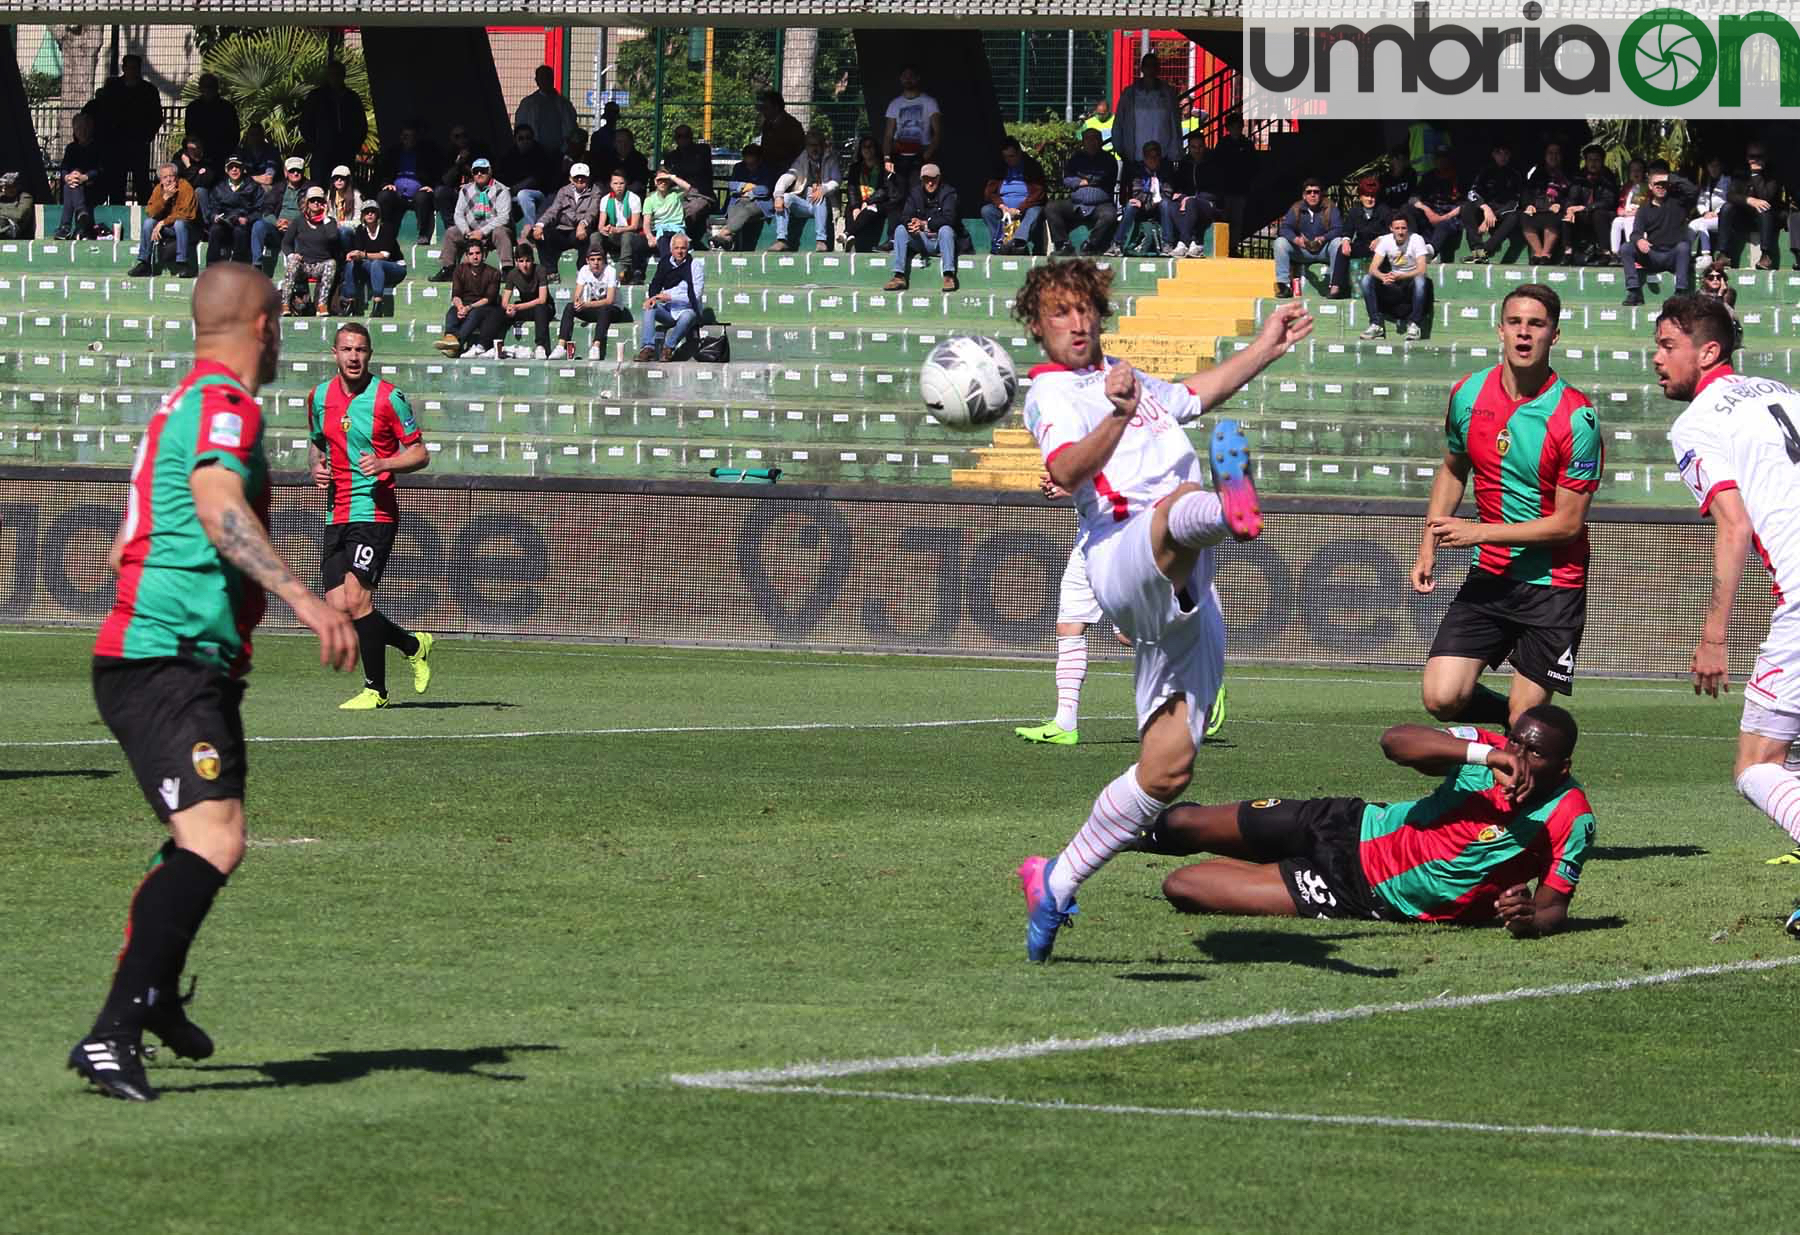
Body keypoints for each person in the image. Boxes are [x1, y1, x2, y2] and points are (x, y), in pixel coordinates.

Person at [72, 263, 358, 1103]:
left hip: (183, 659)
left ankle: (153, 996)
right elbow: (213, 499)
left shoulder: (186, 401)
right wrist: (303, 597)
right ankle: (112, 1031)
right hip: (166, 663)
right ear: (266, 323)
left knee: (205, 835)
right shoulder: (226, 407)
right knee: (216, 838)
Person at [1012, 260, 1313, 961]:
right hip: (1121, 551)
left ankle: (1054, 880)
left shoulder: (1125, 373)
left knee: (1168, 770)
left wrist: (1266, 346)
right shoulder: (1050, 393)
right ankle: (1225, 512)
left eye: (1086, 308)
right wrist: (1117, 412)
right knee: (1179, 510)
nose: (1078, 322)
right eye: (1060, 312)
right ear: (1037, 324)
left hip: (1183, 584)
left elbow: (1192, 395)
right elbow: (1063, 470)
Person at [1147, 713, 1592, 936]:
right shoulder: (1486, 748)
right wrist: (1485, 754)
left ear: (1563, 765)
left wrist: (1531, 917)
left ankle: (1283, 870)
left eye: (1534, 753)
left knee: (1183, 886)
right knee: (1184, 821)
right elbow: (1395, 741)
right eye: (1515, 742)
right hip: (1350, 822)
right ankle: (1115, 837)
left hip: (1359, 891)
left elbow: (1555, 907)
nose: (1518, 757)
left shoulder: (1570, 815)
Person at [1661, 293, 1800, 924]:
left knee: (1756, 765)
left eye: (1668, 346)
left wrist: (1713, 635)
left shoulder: (1696, 423)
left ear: (1707, 351)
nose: (1656, 359)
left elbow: (1735, 525)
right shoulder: (1784, 391)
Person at [1412, 284, 1601, 727]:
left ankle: (1529, 729)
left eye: (1536, 324)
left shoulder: (1576, 417)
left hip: (1553, 586)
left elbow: (1567, 525)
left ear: (1554, 335)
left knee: (1526, 716)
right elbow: (1453, 467)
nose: (1523, 333)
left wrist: (1477, 532)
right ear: (1500, 329)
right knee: (1441, 698)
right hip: (1491, 577)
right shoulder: (1468, 393)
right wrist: (1429, 541)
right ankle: (1524, 727)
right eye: (1515, 322)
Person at [306, 322, 434, 711]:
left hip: (374, 511)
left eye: (361, 350)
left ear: (370, 354)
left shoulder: (388, 398)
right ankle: (413, 644)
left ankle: (375, 690)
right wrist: (316, 468)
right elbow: (316, 445)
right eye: (347, 349)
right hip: (336, 511)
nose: (354, 357)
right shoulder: (318, 397)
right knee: (337, 604)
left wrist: (385, 461)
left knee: (358, 600)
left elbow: (420, 453)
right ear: (335, 353)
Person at [1621, 162, 1698, 306]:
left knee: (1684, 247)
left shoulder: (1679, 203)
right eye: (1657, 184)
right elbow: (1635, 233)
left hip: (1673, 256)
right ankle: (1634, 291)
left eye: (1664, 184)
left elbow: (1693, 191)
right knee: (1626, 248)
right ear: (1650, 186)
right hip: (1652, 255)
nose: (1661, 187)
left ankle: (1681, 292)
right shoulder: (1644, 209)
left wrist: (1669, 177)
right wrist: (1639, 241)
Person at [883, 163, 963, 293]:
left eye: (933, 179)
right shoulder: (915, 193)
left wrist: (925, 224)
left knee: (946, 230)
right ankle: (899, 276)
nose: (930, 183)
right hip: (922, 240)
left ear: (939, 178)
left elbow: (949, 218)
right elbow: (905, 216)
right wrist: (911, 222)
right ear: (921, 179)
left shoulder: (948, 192)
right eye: (926, 179)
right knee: (900, 230)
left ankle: (949, 275)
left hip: (940, 241)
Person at [94, 53, 163, 204]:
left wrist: (147, 137)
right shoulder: (113, 88)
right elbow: (104, 114)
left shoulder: (149, 90)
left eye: (135, 68)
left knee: (142, 182)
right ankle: (116, 218)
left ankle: (145, 215)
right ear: (123, 68)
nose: (132, 71)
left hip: (139, 143)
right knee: (116, 183)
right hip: (116, 144)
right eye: (129, 67)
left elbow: (157, 117)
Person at [1112, 51, 1182, 191]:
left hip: (1163, 158)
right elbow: (1119, 123)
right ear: (1142, 69)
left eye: (1154, 66)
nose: (1151, 69)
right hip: (1136, 158)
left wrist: (1175, 152)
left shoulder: (1168, 93)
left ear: (1158, 69)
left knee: (1163, 201)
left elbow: (1174, 124)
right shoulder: (1129, 94)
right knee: (1134, 202)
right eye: (1147, 66)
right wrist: (1121, 149)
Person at [431, 158, 512, 278]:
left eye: (483, 170)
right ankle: (448, 269)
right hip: (471, 232)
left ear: (490, 171)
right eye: (476, 171)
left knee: (501, 232)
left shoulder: (502, 190)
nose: (479, 174)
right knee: (452, 232)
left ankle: (507, 270)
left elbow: (504, 217)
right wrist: (466, 231)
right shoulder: (465, 190)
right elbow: (458, 214)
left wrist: (482, 232)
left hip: (491, 233)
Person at [1358, 212, 1432, 341]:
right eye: (1397, 228)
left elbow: (1422, 269)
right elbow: (1372, 268)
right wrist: (1382, 276)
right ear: (1391, 229)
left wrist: (1402, 276)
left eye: (1403, 228)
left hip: (1410, 280)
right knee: (1366, 280)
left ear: (1408, 228)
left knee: (1420, 280)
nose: (1400, 232)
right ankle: (1376, 325)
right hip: (1393, 281)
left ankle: (1414, 324)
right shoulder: (1386, 240)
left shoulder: (1416, 239)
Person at [1046, 127, 1119, 257]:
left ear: (1101, 141)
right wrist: (1078, 182)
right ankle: (1063, 244)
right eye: (1088, 139)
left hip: (1100, 204)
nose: (1092, 142)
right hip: (1076, 204)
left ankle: (1091, 244)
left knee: (1109, 215)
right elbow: (1067, 179)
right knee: (1052, 207)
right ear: (1083, 142)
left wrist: (1085, 179)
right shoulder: (1076, 159)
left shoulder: (1108, 159)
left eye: (1095, 139)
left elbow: (1102, 177)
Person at [633, 232, 705, 362]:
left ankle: (668, 348)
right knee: (650, 308)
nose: (679, 251)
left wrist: (670, 297)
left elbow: (695, 295)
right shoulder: (665, 262)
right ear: (671, 249)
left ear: (687, 249)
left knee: (687, 316)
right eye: (676, 248)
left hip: (688, 309)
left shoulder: (695, 266)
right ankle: (648, 348)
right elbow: (656, 283)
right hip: (669, 310)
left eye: (683, 248)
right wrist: (652, 298)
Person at [882, 66, 942, 217]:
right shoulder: (894, 104)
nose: (908, 79)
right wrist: (887, 157)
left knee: (918, 193)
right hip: (899, 155)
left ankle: (919, 227)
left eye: (911, 76)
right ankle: (894, 236)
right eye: (904, 76)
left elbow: (938, 132)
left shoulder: (929, 102)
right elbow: (888, 134)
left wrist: (928, 153)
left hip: (920, 155)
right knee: (897, 195)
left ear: (917, 78)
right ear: (900, 79)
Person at [529, 161, 604, 281]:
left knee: (587, 236)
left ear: (588, 178)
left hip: (580, 231)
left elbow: (592, 212)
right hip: (563, 230)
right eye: (576, 177)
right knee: (541, 235)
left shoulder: (595, 191)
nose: (580, 180)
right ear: (570, 178)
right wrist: (539, 225)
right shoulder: (563, 191)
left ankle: (582, 270)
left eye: (583, 177)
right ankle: (550, 272)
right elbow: (553, 210)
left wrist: (583, 224)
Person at [300, 61, 367, 192]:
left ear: (343, 76)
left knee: (343, 187)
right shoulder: (317, 97)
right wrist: (314, 145)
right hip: (322, 150)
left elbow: (361, 125)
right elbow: (305, 123)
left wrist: (354, 146)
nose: (335, 78)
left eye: (338, 74)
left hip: (345, 151)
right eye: (332, 75)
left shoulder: (352, 98)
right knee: (319, 187)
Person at [772, 129, 842, 253]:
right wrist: (778, 195)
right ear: (806, 146)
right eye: (810, 145)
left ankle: (821, 241)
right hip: (804, 203)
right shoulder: (802, 158)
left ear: (822, 145)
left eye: (817, 145)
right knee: (786, 197)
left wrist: (824, 189)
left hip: (823, 205)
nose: (814, 149)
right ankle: (781, 240)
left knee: (820, 197)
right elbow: (788, 175)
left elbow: (837, 180)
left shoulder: (831, 158)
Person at [558, 244, 631, 360]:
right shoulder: (584, 270)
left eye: (599, 259)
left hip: (614, 310)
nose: (596, 263)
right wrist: (578, 301)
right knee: (570, 307)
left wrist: (587, 304)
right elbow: (577, 293)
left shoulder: (610, 271)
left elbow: (609, 300)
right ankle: (561, 346)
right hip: (596, 308)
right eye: (592, 260)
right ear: (587, 261)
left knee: (604, 308)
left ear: (603, 260)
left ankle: (596, 346)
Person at [128, 163, 199, 279]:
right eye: (165, 177)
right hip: (167, 228)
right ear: (160, 180)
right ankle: (144, 263)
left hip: (187, 228)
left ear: (176, 176)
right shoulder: (158, 189)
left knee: (179, 223)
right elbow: (150, 212)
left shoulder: (185, 187)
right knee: (148, 223)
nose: (169, 180)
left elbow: (186, 214)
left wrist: (162, 223)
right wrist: (165, 198)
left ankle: (183, 264)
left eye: (171, 176)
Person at [375, 123, 442, 245]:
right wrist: (387, 183)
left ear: (416, 138)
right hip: (398, 195)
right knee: (384, 196)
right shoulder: (393, 153)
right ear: (401, 137)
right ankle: (384, 231)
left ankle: (423, 234)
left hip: (418, 193)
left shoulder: (426, 153)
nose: (408, 139)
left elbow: (435, 172)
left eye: (411, 136)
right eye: (405, 136)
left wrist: (431, 186)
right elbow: (384, 172)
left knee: (423, 197)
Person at [1272, 177, 1339, 298]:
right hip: (1303, 251)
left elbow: (1338, 228)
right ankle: (1284, 285)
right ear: (1304, 195)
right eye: (1309, 192)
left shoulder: (1330, 207)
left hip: (1324, 249)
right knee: (1280, 242)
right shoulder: (1296, 208)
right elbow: (1284, 229)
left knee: (1338, 242)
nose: (1312, 195)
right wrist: (1296, 240)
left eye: (1316, 192)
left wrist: (1323, 238)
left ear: (1321, 194)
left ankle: (1334, 285)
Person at [1719, 143, 1782, 270]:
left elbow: (1766, 197)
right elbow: (1730, 195)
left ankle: (1765, 256)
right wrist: (1749, 200)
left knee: (1764, 208)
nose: (1755, 160)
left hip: (1766, 220)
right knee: (1727, 208)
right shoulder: (1740, 172)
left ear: (1765, 158)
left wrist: (1756, 175)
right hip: (1744, 217)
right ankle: (1723, 254)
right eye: (1752, 157)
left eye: (1759, 157)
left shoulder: (1772, 175)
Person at [279, 186, 341, 315]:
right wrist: (291, 255)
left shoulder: (329, 222)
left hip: (320, 265)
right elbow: (286, 242)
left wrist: (325, 217)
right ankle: (285, 304)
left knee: (331, 263)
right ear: (307, 203)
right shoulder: (299, 221)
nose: (316, 203)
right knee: (292, 263)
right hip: (304, 265)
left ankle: (322, 305)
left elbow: (333, 236)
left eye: (319, 200)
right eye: (313, 200)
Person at [1459, 141, 1524, 263]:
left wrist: (1492, 217)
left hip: (1502, 214)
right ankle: (1477, 250)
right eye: (1499, 153)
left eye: (1506, 154)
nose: (1503, 156)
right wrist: (1485, 208)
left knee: (1515, 216)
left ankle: (1485, 251)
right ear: (1493, 155)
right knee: (1466, 208)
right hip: (1486, 211)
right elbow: (1472, 193)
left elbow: (1515, 203)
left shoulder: (1515, 174)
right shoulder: (1486, 171)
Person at [980, 136, 1047, 256]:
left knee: (1035, 211)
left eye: (1011, 156)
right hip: (1004, 208)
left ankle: (1019, 241)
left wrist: (1018, 209)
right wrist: (1001, 206)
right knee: (987, 210)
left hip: (1025, 207)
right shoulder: (1000, 167)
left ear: (1019, 153)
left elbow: (1039, 193)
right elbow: (989, 192)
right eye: (1005, 157)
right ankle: (1000, 242)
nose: (1008, 160)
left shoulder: (1032, 166)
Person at [437, 237, 502, 358]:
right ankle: (450, 337)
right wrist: (460, 306)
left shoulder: (493, 273)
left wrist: (469, 308)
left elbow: (489, 298)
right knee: (452, 312)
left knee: (474, 313)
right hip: (465, 303)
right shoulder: (460, 269)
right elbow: (456, 295)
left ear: (483, 254)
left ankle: (456, 343)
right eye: (471, 254)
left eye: (478, 253)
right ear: (467, 256)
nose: (475, 256)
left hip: (484, 306)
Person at [1331, 175, 1390, 299]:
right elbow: (1347, 231)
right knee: (1342, 249)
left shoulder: (1384, 210)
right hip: (1362, 245)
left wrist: (1381, 239)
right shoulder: (1354, 211)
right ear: (1360, 197)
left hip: (1380, 249)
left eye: (1372, 196)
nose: (1370, 199)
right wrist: (1346, 241)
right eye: (1366, 196)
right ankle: (1337, 286)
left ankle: (1382, 289)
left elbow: (1393, 232)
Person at [343, 201, 405, 315]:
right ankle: (350, 302)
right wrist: (352, 255)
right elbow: (359, 252)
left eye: (373, 212)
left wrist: (364, 255)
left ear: (378, 215)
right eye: (367, 212)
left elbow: (384, 255)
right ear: (363, 216)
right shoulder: (360, 230)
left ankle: (378, 303)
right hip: (372, 268)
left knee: (377, 263)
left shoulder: (386, 228)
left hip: (394, 267)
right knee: (350, 264)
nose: (370, 215)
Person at [1112, 141, 1173, 257]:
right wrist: (1147, 202)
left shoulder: (1166, 170)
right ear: (1144, 158)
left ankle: (1167, 243)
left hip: (1159, 206)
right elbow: (1137, 192)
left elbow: (1167, 193)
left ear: (1160, 157)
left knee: (1166, 204)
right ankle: (1117, 243)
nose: (1153, 160)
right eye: (1150, 157)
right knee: (1131, 205)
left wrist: (1151, 203)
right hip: (1144, 205)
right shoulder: (1137, 171)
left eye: (1156, 156)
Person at [1164, 130, 1218, 259]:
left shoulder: (1212, 163)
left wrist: (1192, 198)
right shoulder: (1185, 163)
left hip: (1208, 202)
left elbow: (1216, 190)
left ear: (1204, 146)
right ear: (1189, 148)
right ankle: (1190, 243)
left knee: (1191, 203)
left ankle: (1187, 241)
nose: (1197, 150)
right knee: (1171, 206)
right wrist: (1182, 197)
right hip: (1188, 201)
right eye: (1193, 147)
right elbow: (1179, 186)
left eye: (1200, 147)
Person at [1562, 144, 1620, 265]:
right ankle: (1568, 252)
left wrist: (1587, 207)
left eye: (1596, 160)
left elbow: (1608, 201)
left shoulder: (1608, 176)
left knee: (1598, 214)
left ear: (1602, 161)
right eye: (1590, 160)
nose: (1593, 163)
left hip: (1604, 213)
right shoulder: (1579, 176)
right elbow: (1572, 196)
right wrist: (1570, 209)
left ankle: (1606, 253)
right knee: (1567, 215)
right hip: (1584, 212)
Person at [659, 124, 716, 246]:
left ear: (691, 137)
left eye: (686, 136)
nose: (683, 139)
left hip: (701, 196)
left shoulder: (702, 150)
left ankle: (682, 243)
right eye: (679, 136)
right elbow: (665, 174)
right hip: (678, 195)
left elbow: (695, 168)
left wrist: (676, 172)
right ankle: (666, 242)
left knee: (686, 212)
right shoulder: (671, 156)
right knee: (662, 210)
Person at [53, 112, 107, 240]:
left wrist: (85, 177)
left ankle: (65, 226)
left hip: (93, 188)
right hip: (74, 187)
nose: (81, 131)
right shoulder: (71, 148)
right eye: (78, 128)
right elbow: (64, 168)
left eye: (84, 128)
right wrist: (67, 177)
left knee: (71, 186)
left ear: (91, 129)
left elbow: (100, 170)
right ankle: (81, 213)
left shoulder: (97, 147)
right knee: (70, 185)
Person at [253, 157, 311, 270]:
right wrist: (277, 222)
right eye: (292, 170)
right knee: (258, 226)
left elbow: (313, 214)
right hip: (278, 229)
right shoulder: (278, 188)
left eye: (298, 171)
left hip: (299, 230)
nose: (295, 173)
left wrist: (292, 224)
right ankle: (257, 264)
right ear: (285, 172)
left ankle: (299, 270)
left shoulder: (310, 188)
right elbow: (266, 210)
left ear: (303, 172)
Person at [204, 156, 264, 264]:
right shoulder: (218, 187)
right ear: (226, 170)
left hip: (242, 225)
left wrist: (247, 219)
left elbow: (260, 209)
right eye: (231, 167)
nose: (234, 170)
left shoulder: (254, 187)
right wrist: (215, 216)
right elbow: (212, 208)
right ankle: (211, 265)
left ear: (243, 169)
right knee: (214, 230)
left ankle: (238, 266)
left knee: (239, 232)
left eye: (237, 167)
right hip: (224, 223)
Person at [498, 245, 555, 358]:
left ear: (532, 260)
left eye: (528, 261)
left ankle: (540, 346)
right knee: (499, 311)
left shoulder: (540, 270)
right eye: (521, 261)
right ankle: (497, 345)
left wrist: (517, 307)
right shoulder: (512, 274)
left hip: (545, 307)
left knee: (540, 308)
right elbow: (504, 301)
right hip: (526, 307)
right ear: (516, 262)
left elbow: (542, 299)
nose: (525, 265)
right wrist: (509, 308)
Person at [497, 123, 557, 230]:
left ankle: (531, 228)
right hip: (512, 193)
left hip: (538, 194)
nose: (525, 141)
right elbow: (502, 176)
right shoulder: (510, 155)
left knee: (523, 194)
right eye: (521, 138)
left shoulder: (540, 154)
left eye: (528, 138)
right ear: (515, 139)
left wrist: (513, 189)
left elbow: (534, 179)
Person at [594, 170, 650, 283]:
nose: (618, 186)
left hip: (633, 236)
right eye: (615, 183)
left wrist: (618, 229)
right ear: (610, 185)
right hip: (615, 234)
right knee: (595, 236)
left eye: (621, 183)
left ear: (626, 184)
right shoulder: (605, 200)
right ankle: (597, 267)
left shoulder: (633, 198)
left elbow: (634, 226)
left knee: (626, 236)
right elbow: (600, 225)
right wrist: (604, 229)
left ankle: (624, 270)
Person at [1520, 141, 1572, 262]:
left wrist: (1560, 204)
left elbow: (1572, 194)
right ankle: (1538, 253)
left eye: (1557, 153)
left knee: (1554, 218)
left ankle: (1546, 254)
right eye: (1550, 153)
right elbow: (1527, 191)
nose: (1553, 156)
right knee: (1524, 217)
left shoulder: (1568, 173)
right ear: (1545, 155)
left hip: (1557, 209)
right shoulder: (1537, 172)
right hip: (1538, 207)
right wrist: (1529, 205)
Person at [1409, 147, 1463, 261]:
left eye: (1444, 158)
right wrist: (1427, 210)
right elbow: (1413, 198)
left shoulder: (1459, 176)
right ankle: (1410, 246)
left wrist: (1444, 217)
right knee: (1408, 209)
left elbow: (1465, 204)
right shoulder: (1428, 176)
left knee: (1444, 224)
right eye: (1438, 158)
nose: (1440, 161)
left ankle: (1430, 252)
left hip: (1450, 217)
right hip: (1430, 214)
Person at [844, 135, 895, 254]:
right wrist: (856, 206)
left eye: (870, 146)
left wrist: (868, 202)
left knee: (869, 210)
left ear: (876, 149)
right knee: (850, 210)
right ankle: (851, 240)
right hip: (859, 202)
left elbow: (884, 190)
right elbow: (851, 189)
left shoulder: (883, 167)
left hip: (877, 203)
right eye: (864, 147)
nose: (867, 150)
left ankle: (848, 233)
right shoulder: (855, 168)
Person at [514, 65, 579, 158]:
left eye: (547, 77)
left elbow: (570, 128)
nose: (545, 81)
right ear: (537, 81)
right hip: (534, 154)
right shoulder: (527, 104)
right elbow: (520, 128)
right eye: (542, 78)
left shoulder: (564, 104)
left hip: (559, 153)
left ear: (552, 79)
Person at [720, 145, 775, 252]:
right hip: (739, 200)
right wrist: (747, 186)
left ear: (759, 160)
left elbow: (765, 189)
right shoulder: (738, 167)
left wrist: (750, 193)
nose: (749, 166)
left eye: (752, 164)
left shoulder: (767, 169)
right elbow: (732, 185)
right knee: (734, 207)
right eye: (747, 163)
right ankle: (728, 237)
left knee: (746, 209)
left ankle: (725, 232)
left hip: (760, 203)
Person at [641, 169, 691, 263]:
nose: (662, 183)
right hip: (660, 231)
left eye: (665, 180)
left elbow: (688, 187)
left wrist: (671, 177)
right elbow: (646, 223)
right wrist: (650, 237)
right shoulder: (650, 200)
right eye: (659, 180)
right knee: (663, 241)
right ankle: (667, 267)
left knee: (678, 243)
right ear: (655, 182)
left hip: (676, 229)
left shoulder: (675, 194)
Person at [755, 91, 807, 178]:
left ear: (776, 107)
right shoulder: (767, 123)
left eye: (766, 107)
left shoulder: (792, 125)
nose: (763, 111)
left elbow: (798, 152)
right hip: (768, 165)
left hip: (786, 169)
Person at [1691, 153, 1729, 257]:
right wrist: (1705, 212)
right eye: (1711, 166)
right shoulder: (1705, 182)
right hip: (1707, 216)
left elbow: (1727, 201)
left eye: (1716, 166)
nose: (1714, 169)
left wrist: (1716, 213)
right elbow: (1700, 202)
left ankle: (1706, 255)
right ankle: (1686, 254)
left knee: (1703, 225)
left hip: (1721, 218)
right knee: (1692, 225)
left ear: (1721, 166)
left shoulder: (1727, 181)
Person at [232, 121, 281, 191]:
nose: (255, 137)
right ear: (247, 136)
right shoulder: (241, 152)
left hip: (266, 188)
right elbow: (235, 175)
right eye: (252, 134)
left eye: (257, 134)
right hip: (246, 186)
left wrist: (245, 177)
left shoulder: (272, 152)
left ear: (263, 136)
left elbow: (268, 179)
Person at [610, 128, 652, 196]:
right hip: (611, 194)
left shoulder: (640, 159)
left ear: (632, 142)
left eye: (626, 141)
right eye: (619, 142)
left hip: (633, 195)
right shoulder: (608, 158)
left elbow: (640, 182)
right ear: (614, 143)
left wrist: (623, 192)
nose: (623, 145)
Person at [0, 172, 35, 240]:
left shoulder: (25, 197)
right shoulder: (1, 197)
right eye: (8, 187)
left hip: (15, 229)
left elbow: (18, 215)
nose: (11, 189)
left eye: (13, 186)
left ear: (18, 186)